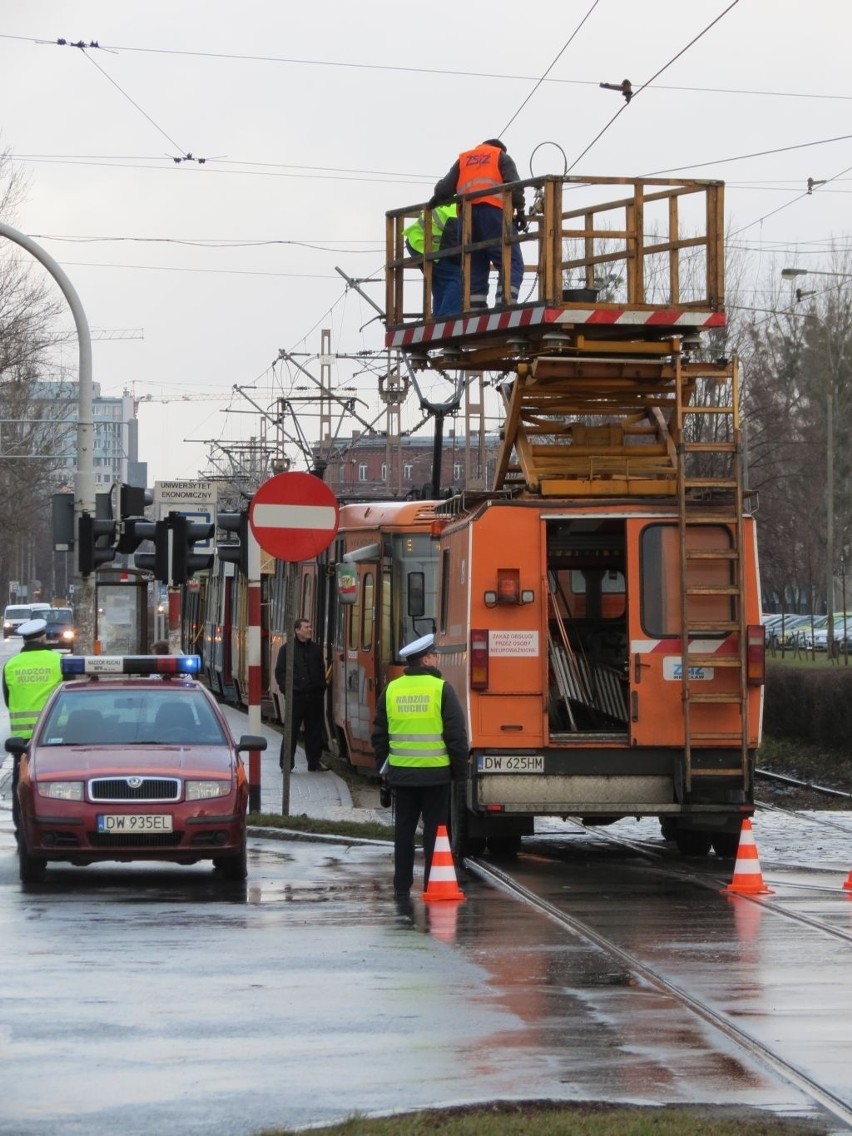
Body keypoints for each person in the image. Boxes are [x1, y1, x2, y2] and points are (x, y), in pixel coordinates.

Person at [371, 632, 469, 898]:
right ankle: (432, 883)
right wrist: (461, 775)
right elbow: (456, 736)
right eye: (434, 655)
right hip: (436, 777)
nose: (436, 659)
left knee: (403, 831)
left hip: (402, 777)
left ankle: (401, 885)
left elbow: (379, 735)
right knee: (436, 834)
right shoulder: (441, 689)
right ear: (425, 660)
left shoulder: (392, 690)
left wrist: (384, 771)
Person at [429, 138, 525, 310]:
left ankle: (474, 307)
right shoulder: (500, 156)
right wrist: (521, 211)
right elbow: (515, 186)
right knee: (511, 260)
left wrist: (435, 199)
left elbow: (443, 189)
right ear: (500, 148)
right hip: (493, 213)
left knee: (474, 262)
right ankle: (505, 303)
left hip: (467, 219)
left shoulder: (464, 160)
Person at [3, 618, 63, 832]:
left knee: (22, 784)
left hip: (22, 740)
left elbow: (8, 700)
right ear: (43, 636)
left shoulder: (11, 665)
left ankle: (23, 830)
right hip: (55, 736)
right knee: (57, 785)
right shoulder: (56, 661)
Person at [274, 618, 329, 772]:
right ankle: (286, 764)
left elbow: (320, 670)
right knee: (291, 731)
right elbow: (280, 672)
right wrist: (287, 689)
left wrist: (321, 687)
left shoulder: (316, 649)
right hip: (296, 697)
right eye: (306, 627)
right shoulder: (287, 649)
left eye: (310, 627)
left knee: (314, 731)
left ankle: (314, 762)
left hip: (314, 697)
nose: (309, 630)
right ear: (297, 630)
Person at [404, 203, 461, 318]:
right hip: (426, 243)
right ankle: (447, 319)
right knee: (457, 278)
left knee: (441, 283)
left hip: (418, 240)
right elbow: (453, 242)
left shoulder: (461, 201)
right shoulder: (466, 209)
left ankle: (438, 319)